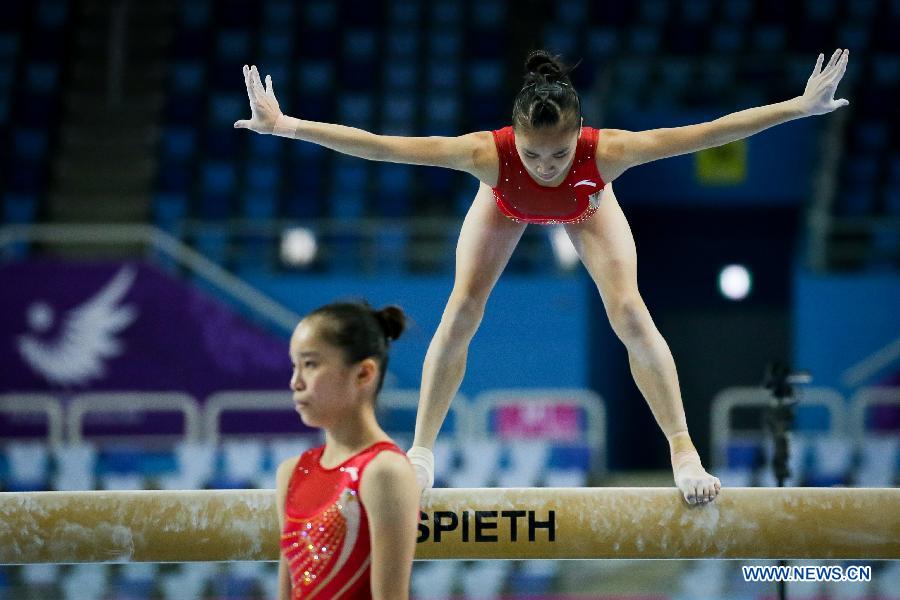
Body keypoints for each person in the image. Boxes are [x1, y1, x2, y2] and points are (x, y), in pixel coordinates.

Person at [239, 48, 850, 506]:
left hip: (590, 208)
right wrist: (290, 125)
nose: (548, 165)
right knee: (462, 310)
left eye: (559, 154)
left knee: (630, 312)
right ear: (516, 139)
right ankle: (421, 450)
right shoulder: (488, 155)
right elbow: (384, 146)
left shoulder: (605, 153)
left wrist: (798, 108)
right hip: (503, 205)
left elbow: (706, 134)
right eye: (535, 155)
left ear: (579, 134)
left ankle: (684, 452)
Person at [275, 301, 418, 599]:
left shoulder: (384, 472)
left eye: (311, 364)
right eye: (294, 366)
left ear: (364, 374)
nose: (295, 382)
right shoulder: (292, 473)